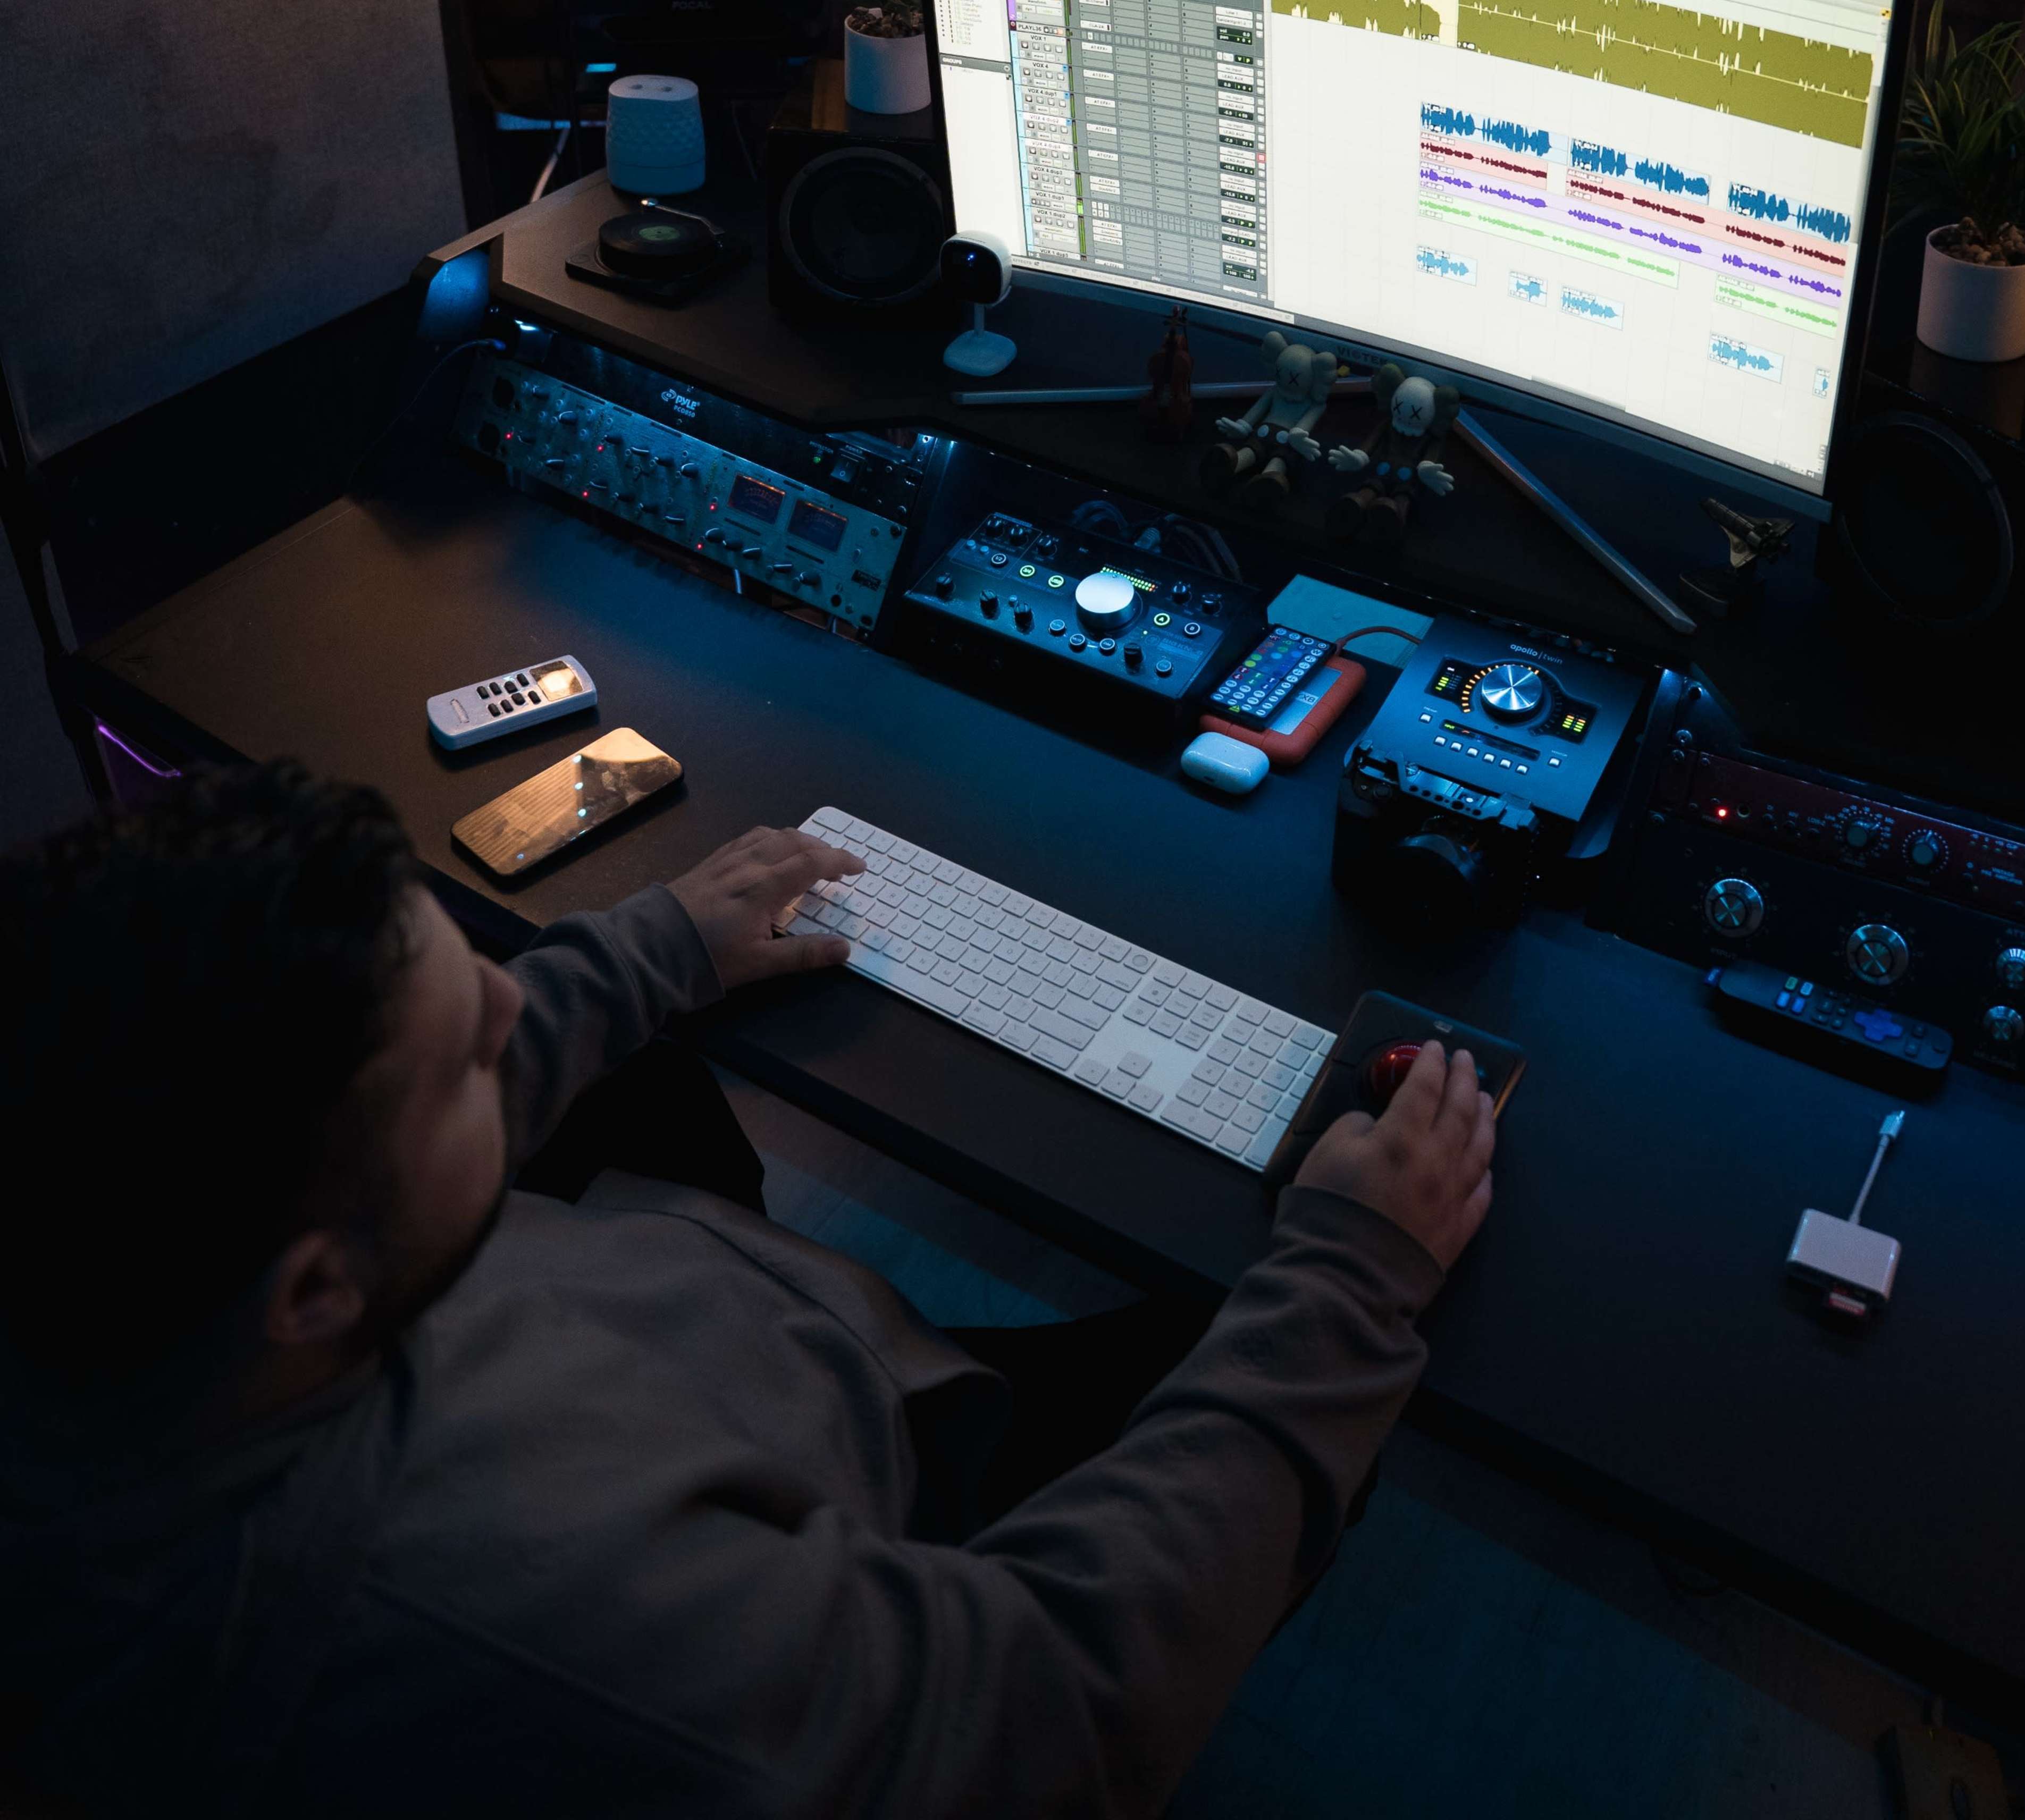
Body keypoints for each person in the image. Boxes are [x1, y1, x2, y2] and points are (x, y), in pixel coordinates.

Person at [0, 763, 1495, 1817]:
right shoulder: (574, 1638)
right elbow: (1051, 1711)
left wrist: (657, 946)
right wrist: (1352, 1273)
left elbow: (349, 1144)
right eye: (465, 1050)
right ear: (319, 1294)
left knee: (626, 1061)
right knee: (1247, 1345)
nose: (510, 1001)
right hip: (869, 1475)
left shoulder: (134, 1245)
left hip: (639, 1315)